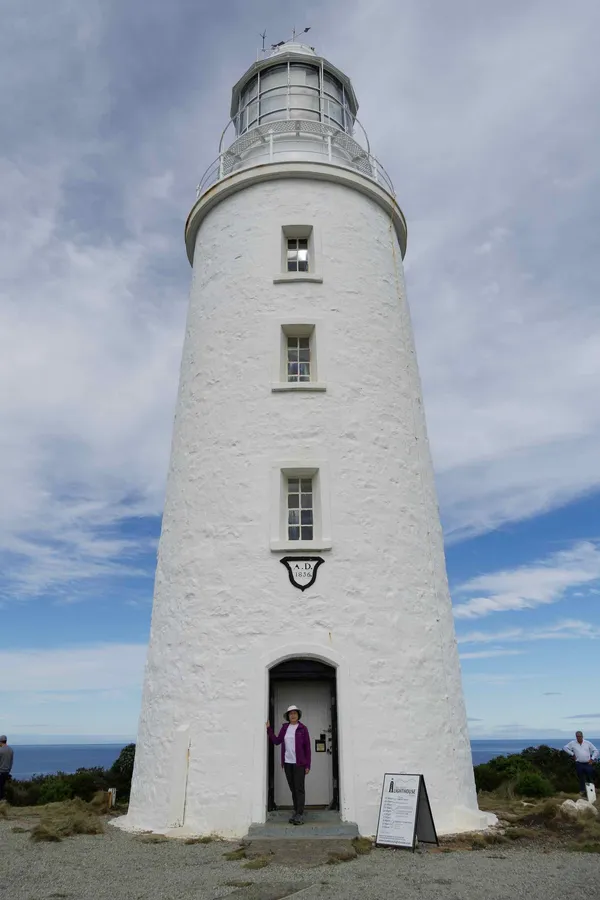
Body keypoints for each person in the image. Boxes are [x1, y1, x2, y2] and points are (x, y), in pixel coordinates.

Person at [266, 705, 311, 825]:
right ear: (288, 716)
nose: (293, 715)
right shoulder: (285, 728)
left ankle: (300, 814)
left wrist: (308, 765)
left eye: (295, 713)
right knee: (293, 789)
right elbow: (277, 741)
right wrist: (269, 730)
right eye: (290, 713)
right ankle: (296, 812)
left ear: (298, 715)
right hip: (287, 763)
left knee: (299, 789)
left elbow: (307, 749)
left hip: (299, 764)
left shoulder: (303, 728)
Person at [563, 731, 599, 796]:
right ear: (576, 737)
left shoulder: (587, 743)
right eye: (577, 736)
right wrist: (572, 754)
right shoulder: (573, 743)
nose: (578, 738)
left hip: (588, 764)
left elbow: (596, 751)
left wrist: (592, 759)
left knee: (590, 777)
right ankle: (582, 791)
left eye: (579, 736)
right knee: (581, 778)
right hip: (579, 764)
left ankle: (591, 792)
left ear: (582, 736)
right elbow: (565, 748)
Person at [0, 735, 14, 801]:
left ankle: (2, 802)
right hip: (7, 772)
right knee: (3, 788)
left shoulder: (0, 750)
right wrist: (8, 770)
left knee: (1, 789)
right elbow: (11, 762)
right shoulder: (11, 750)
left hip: (1, 772)